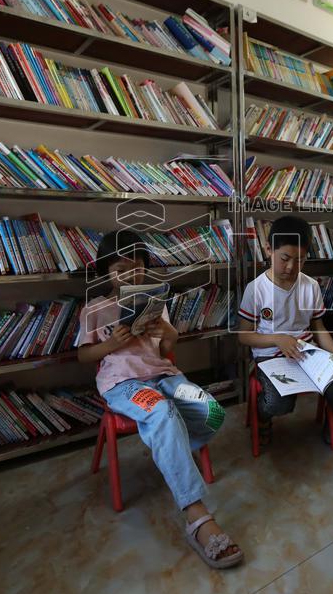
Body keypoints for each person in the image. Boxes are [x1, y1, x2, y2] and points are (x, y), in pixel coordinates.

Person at [78, 230, 242, 569]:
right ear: (106, 270)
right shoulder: (95, 308)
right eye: (120, 268)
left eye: (136, 267)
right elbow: (83, 355)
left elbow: (167, 352)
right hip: (121, 382)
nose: (129, 275)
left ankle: (171, 450)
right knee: (162, 412)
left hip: (163, 374)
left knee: (211, 409)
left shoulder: (154, 303)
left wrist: (170, 334)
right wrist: (110, 345)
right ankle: (197, 516)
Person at [237, 215, 333, 445]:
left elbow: (318, 326)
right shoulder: (256, 289)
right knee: (279, 403)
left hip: (307, 354)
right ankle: (262, 415)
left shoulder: (311, 285)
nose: (291, 267)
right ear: (268, 249)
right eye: (285, 258)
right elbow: (244, 335)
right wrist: (278, 339)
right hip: (270, 358)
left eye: (300, 260)